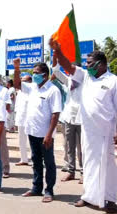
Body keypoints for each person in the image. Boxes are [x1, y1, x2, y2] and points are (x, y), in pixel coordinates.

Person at [50, 39, 117, 212]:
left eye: (90, 63)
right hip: (88, 130)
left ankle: (110, 200)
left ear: (101, 64)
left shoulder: (113, 81)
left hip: (105, 132)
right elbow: (68, 67)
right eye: (86, 63)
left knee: (106, 166)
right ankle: (88, 197)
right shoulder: (85, 77)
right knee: (88, 164)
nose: (87, 66)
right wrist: (58, 51)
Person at [13, 58, 62, 203]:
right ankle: (36, 188)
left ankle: (49, 190)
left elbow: (55, 114)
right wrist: (17, 69)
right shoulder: (33, 87)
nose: (34, 75)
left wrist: (49, 135)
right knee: (36, 161)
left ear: (45, 75)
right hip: (32, 131)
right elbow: (17, 84)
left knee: (49, 162)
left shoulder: (53, 90)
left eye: (37, 73)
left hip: (45, 134)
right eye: (33, 73)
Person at [51, 58, 83, 184]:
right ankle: (71, 171)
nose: (71, 73)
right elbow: (55, 71)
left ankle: (83, 172)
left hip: (82, 119)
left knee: (82, 148)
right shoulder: (68, 82)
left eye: (73, 70)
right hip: (69, 118)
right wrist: (56, 58)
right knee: (69, 146)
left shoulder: (87, 82)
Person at [14, 73, 32, 166]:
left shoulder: (32, 90)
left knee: (32, 141)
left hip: (30, 120)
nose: (21, 82)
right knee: (21, 140)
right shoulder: (19, 92)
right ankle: (24, 159)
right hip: (20, 119)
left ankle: (34, 159)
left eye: (24, 81)